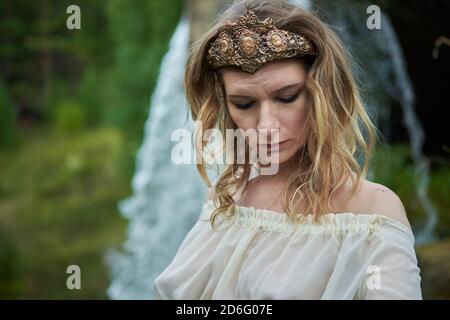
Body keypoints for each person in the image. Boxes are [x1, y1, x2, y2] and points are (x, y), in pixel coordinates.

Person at [153, 0, 422, 299]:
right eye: (244, 103)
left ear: (323, 92)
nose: (266, 125)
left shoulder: (373, 212)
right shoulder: (226, 197)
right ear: (225, 107)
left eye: (287, 97)